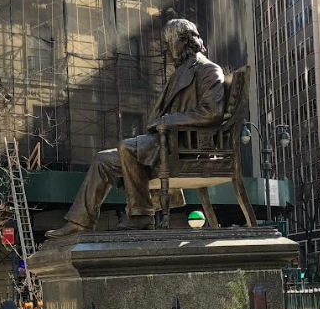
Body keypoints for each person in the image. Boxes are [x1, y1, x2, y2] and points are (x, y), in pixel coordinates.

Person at [45, 19, 225, 238]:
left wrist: (167, 121)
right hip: (165, 144)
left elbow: (212, 112)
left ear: (184, 40)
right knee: (103, 160)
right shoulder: (180, 72)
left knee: (127, 148)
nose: (167, 50)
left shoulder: (207, 69)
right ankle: (80, 222)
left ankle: (141, 215)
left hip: (185, 147)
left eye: (170, 43)